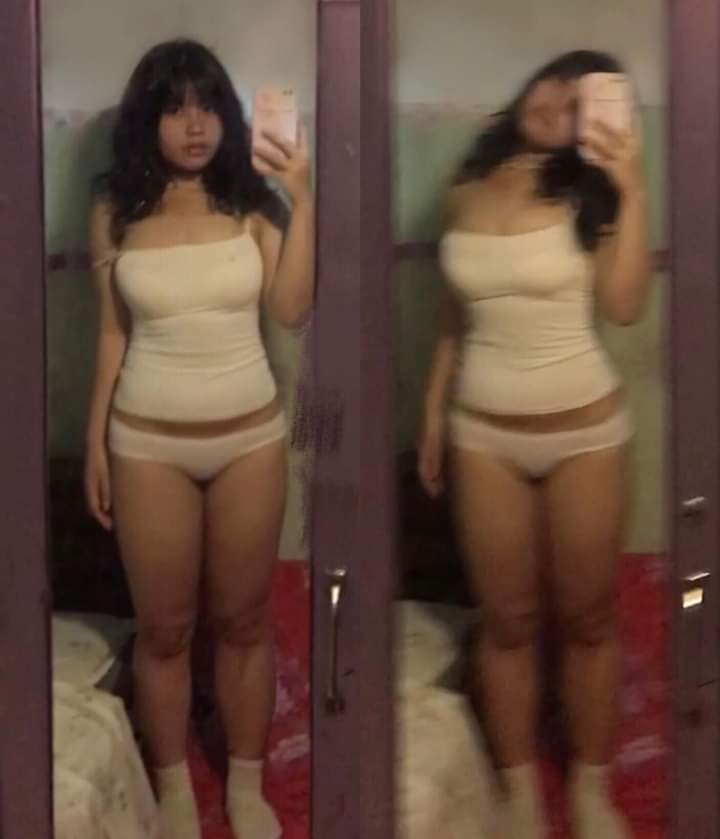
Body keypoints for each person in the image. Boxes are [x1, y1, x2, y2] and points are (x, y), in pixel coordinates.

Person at [418, 50, 652, 839]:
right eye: (556, 81)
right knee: (507, 620)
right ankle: (518, 791)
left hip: (585, 434)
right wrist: (433, 413)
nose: (561, 100)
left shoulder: (594, 192)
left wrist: (632, 187)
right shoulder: (464, 188)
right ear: (529, 86)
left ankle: (590, 787)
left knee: (587, 617)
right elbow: (454, 318)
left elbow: (624, 306)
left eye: (584, 98)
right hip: (483, 436)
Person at [84, 38, 314, 839]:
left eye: (209, 106)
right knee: (164, 631)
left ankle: (245, 782)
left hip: (249, 441)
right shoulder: (116, 210)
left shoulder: (253, 203)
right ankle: (175, 785)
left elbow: (291, 309)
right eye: (175, 108)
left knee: (244, 622)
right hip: (146, 446)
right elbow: (111, 333)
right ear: (147, 118)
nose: (194, 125)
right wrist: (94, 441)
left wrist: (303, 197)